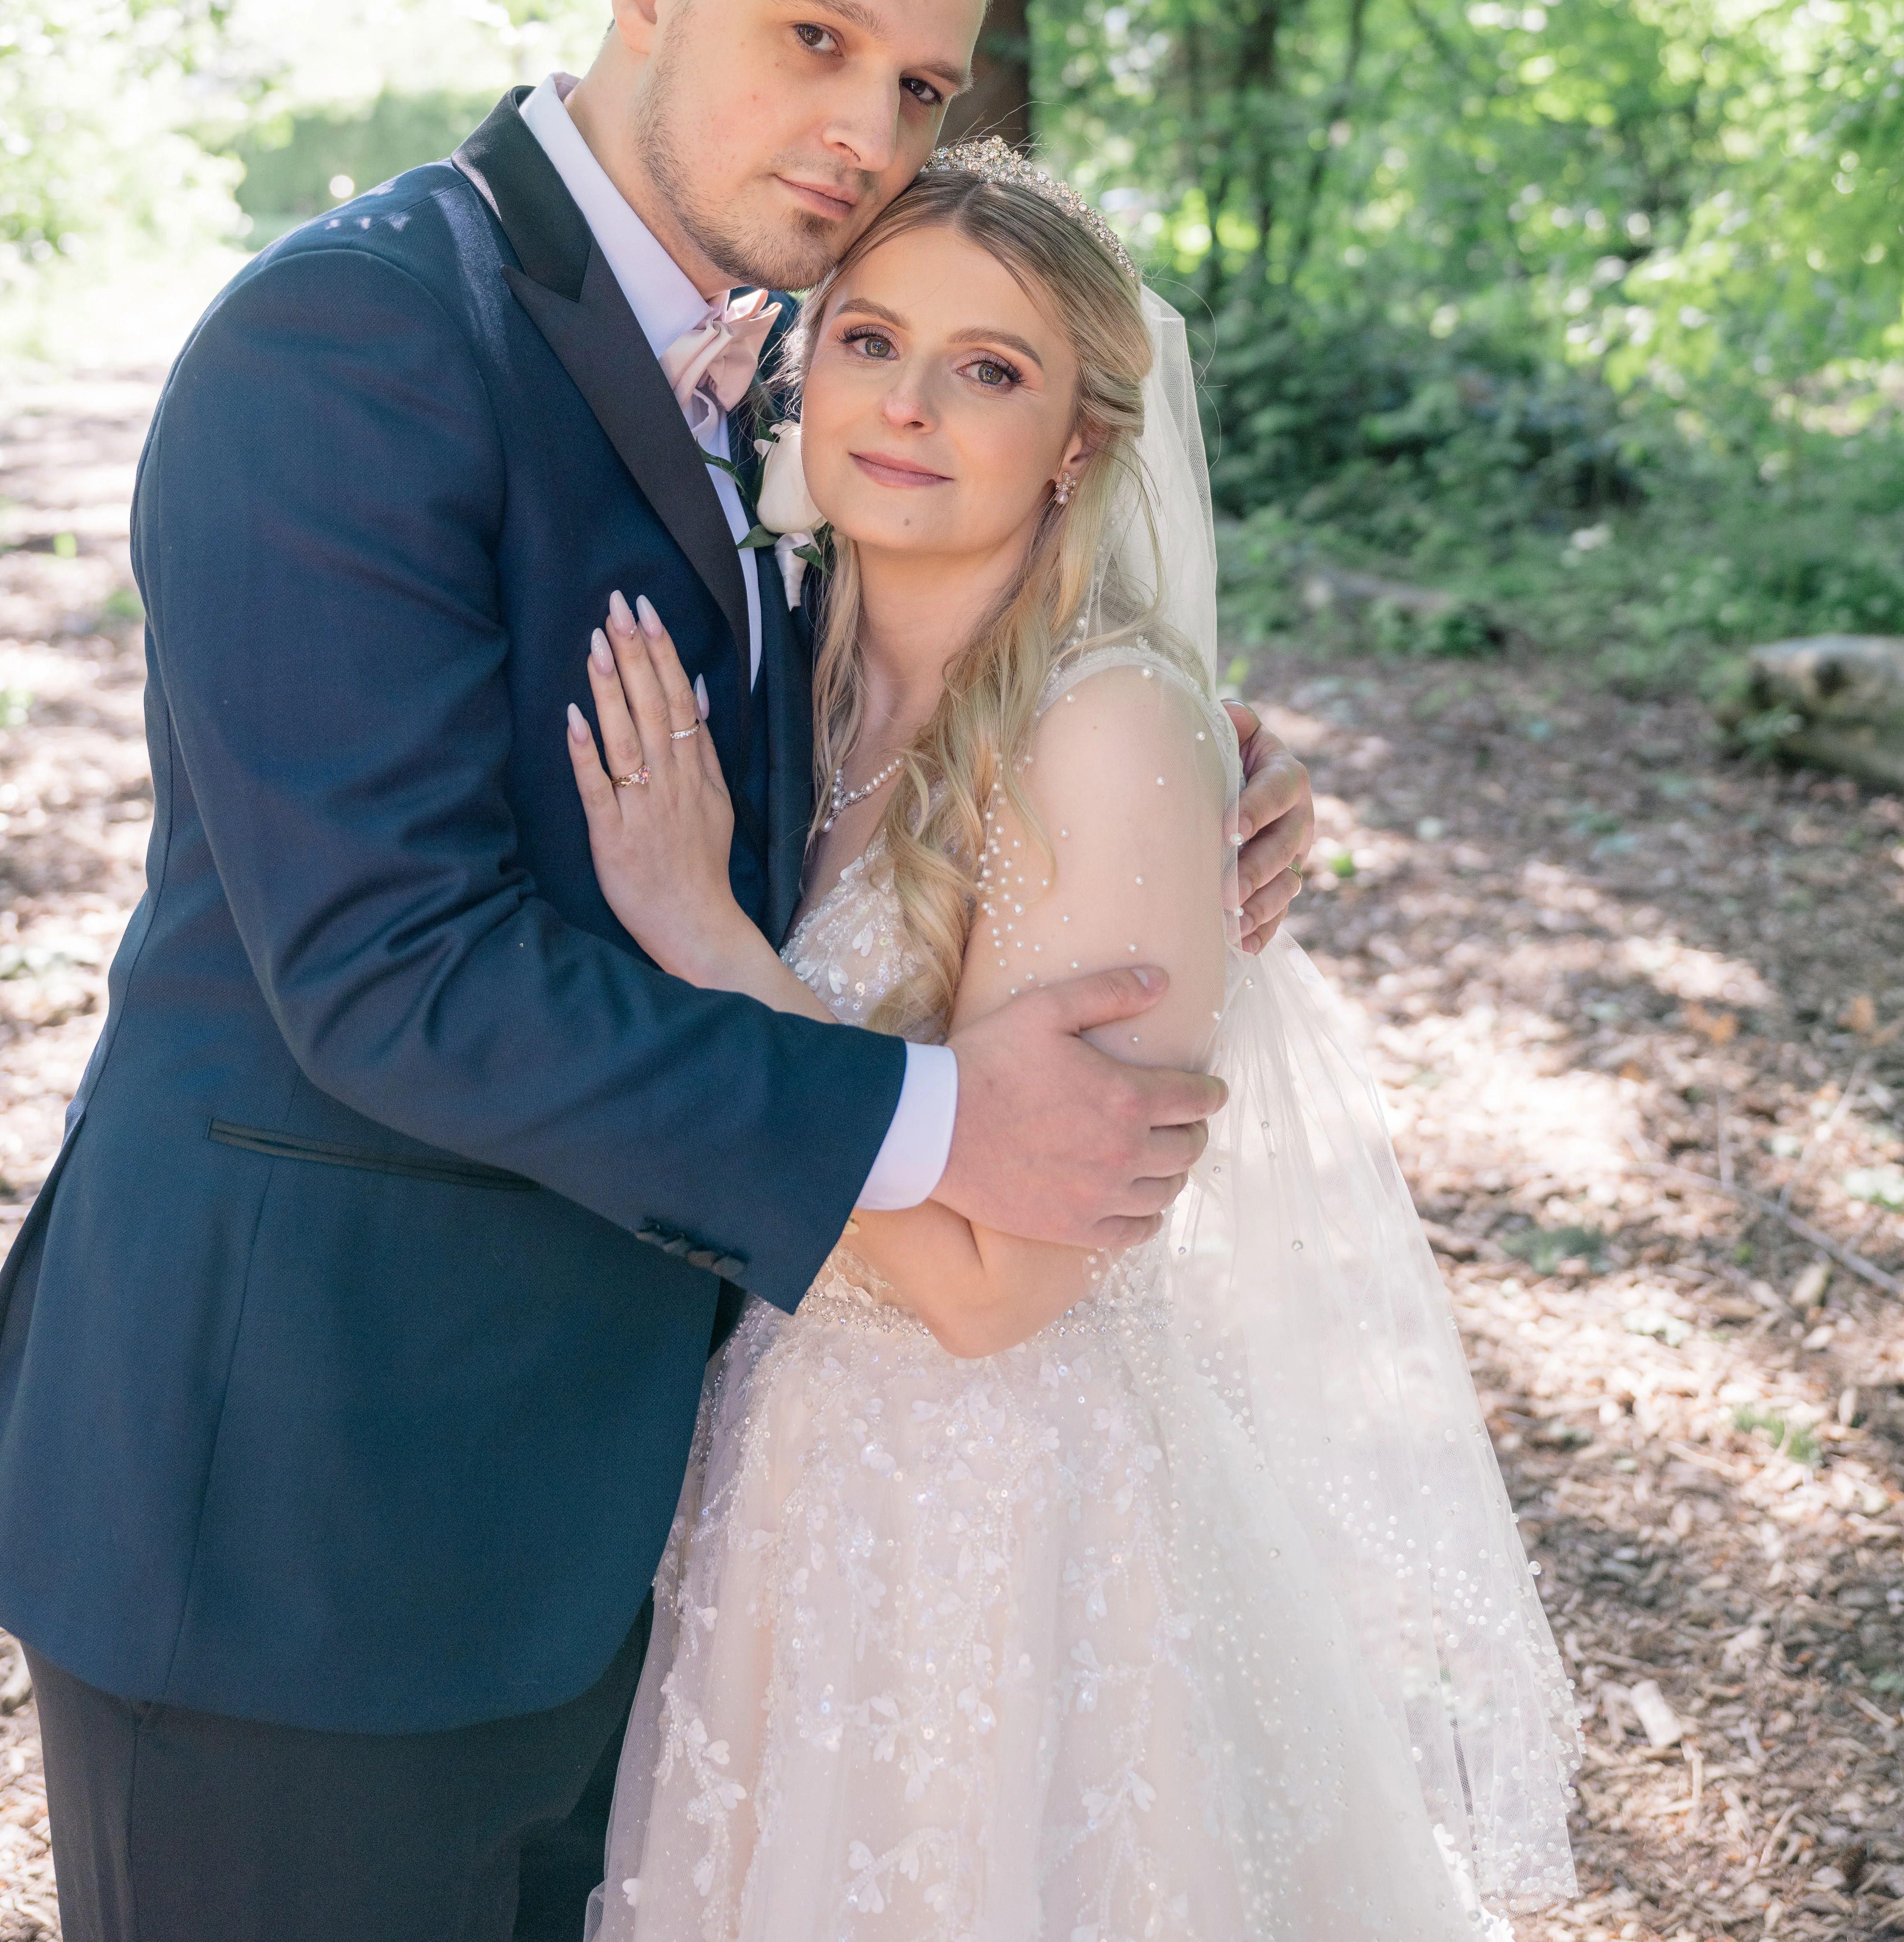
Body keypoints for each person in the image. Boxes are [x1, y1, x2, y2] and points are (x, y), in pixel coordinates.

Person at [0, 0, 1315, 1942]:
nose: (868, 122)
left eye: (922, 79)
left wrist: (1158, 761)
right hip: (302, 1522)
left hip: (626, 1527)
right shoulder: (355, 342)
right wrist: (942, 1121)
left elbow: (894, 706)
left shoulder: (782, 369)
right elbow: (391, 971)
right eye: (815, 37)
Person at [570, 146, 1579, 1942]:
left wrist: (708, 950)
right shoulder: (794, 664)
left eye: (990, 369)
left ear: (1081, 448)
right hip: (779, 1493)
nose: (908, 404)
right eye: (874, 340)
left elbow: (991, 1292)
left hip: (998, 1534)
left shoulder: (1103, 731)